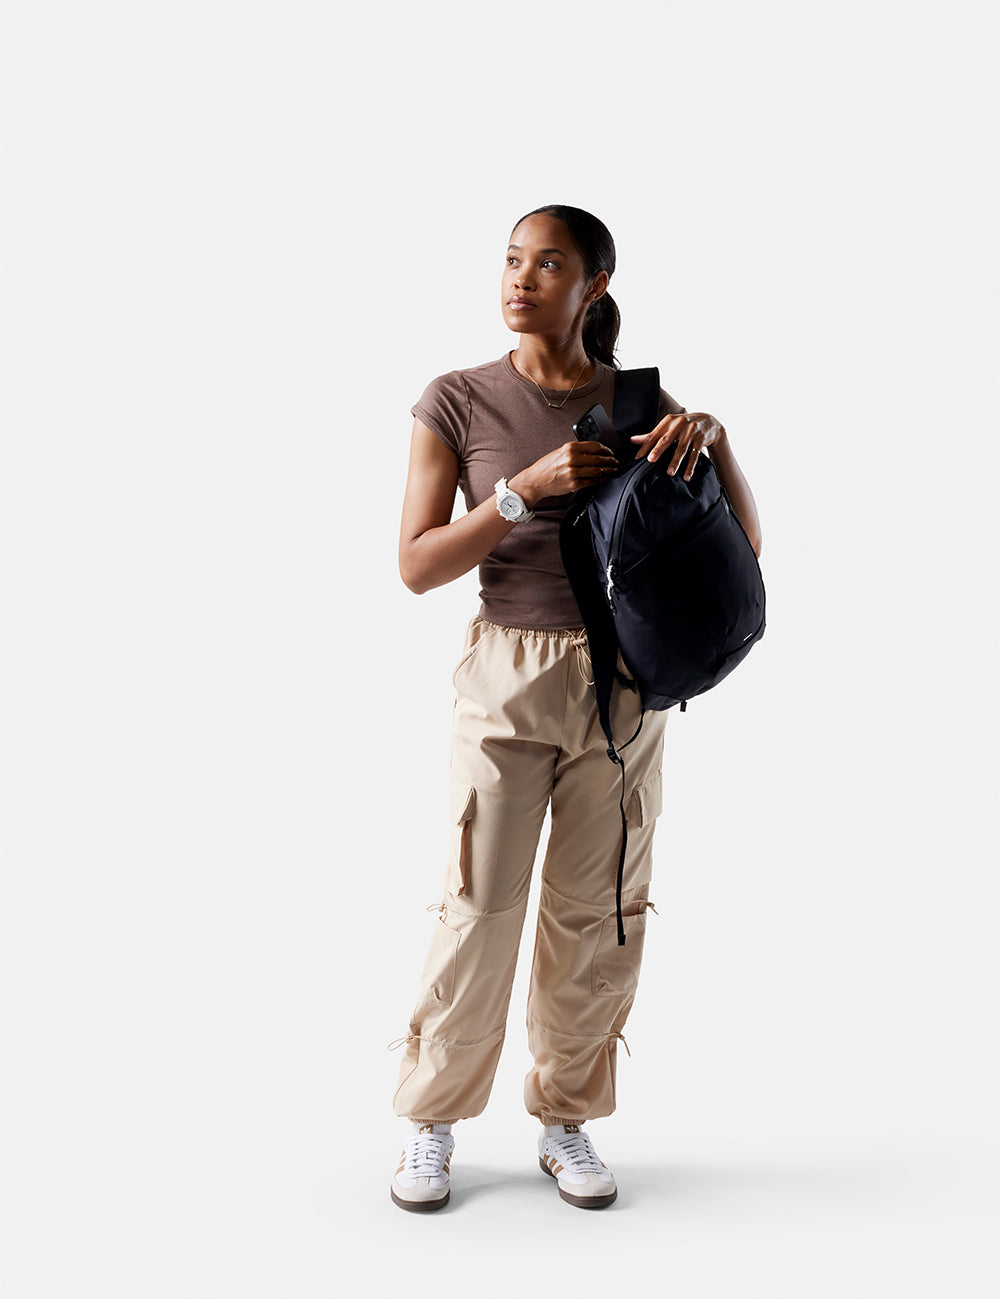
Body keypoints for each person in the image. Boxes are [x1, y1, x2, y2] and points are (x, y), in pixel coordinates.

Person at [389, 205, 762, 1212]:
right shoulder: (458, 399)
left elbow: (742, 553)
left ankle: (565, 1118)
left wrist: (714, 442)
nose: (518, 279)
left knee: (596, 915)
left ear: (590, 285)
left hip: (621, 690)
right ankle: (432, 1122)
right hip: (505, 675)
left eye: (545, 264)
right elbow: (415, 565)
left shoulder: (638, 399)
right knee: (478, 906)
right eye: (511, 260)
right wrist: (522, 490)